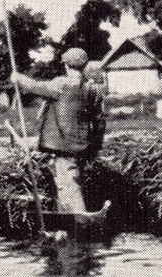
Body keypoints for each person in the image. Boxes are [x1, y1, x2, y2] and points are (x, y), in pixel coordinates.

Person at [11, 47, 110, 224]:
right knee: (70, 177)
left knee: (68, 181)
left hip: (63, 145)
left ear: (65, 66)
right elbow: (100, 121)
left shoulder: (60, 84)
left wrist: (18, 78)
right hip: (83, 144)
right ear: (85, 66)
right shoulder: (93, 89)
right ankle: (64, 214)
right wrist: (96, 145)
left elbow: (34, 87)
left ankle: (80, 216)